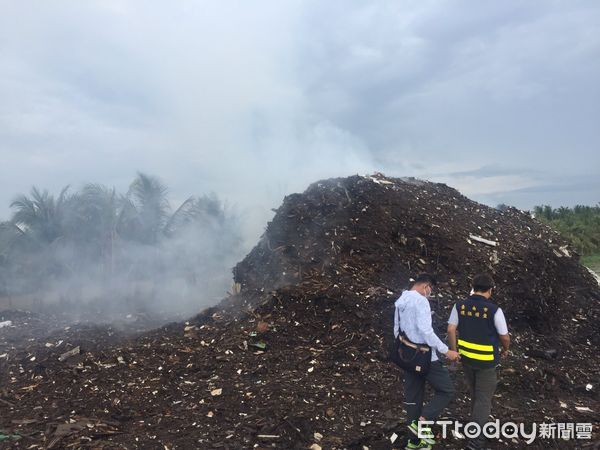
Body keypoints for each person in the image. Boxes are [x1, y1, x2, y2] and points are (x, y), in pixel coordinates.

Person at [394, 273, 460, 450]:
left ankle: (414, 442)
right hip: (426, 358)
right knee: (446, 390)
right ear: (426, 286)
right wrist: (447, 351)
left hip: (407, 356)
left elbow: (396, 330)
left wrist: (404, 349)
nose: (430, 293)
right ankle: (423, 421)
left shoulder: (401, 299)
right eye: (430, 289)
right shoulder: (421, 301)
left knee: (413, 400)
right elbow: (426, 332)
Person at [447, 273, 510, 450]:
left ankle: (474, 427)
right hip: (486, 363)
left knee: (475, 394)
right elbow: (504, 336)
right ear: (490, 290)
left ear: (473, 287)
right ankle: (476, 441)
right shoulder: (494, 310)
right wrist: (506, 349)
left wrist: (454, 351)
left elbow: (451, 329)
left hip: (466, 359)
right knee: (483, 400)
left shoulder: (459, 305)